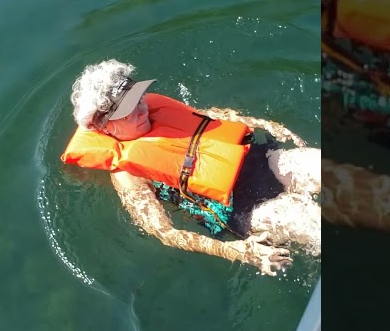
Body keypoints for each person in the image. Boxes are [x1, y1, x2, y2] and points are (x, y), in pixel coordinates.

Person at [62, 59, 321, 276]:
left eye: (139, 99)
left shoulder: (156, 110)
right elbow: (164, 232)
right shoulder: (127, 175)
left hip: (258, 162)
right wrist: (235, 252)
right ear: (104, 126)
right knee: (312, 223)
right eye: (128, 111)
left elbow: (209, 117)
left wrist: (263, 123)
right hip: (241, 206)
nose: (141, 109)